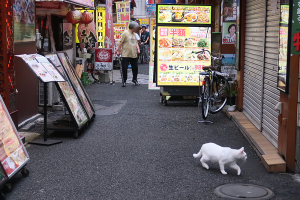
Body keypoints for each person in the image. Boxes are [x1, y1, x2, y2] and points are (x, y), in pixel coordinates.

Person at [117, 21, 140, 87]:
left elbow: (136, 43)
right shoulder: (125, 33)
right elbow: (121, 42)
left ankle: (135, 79)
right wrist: (118, 51)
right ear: (133, 27)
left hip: (133, 54)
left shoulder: (134, 34)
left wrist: (138, 49)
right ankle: (124, 81)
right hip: (125, 54)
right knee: (124, 68)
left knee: (135, 67)